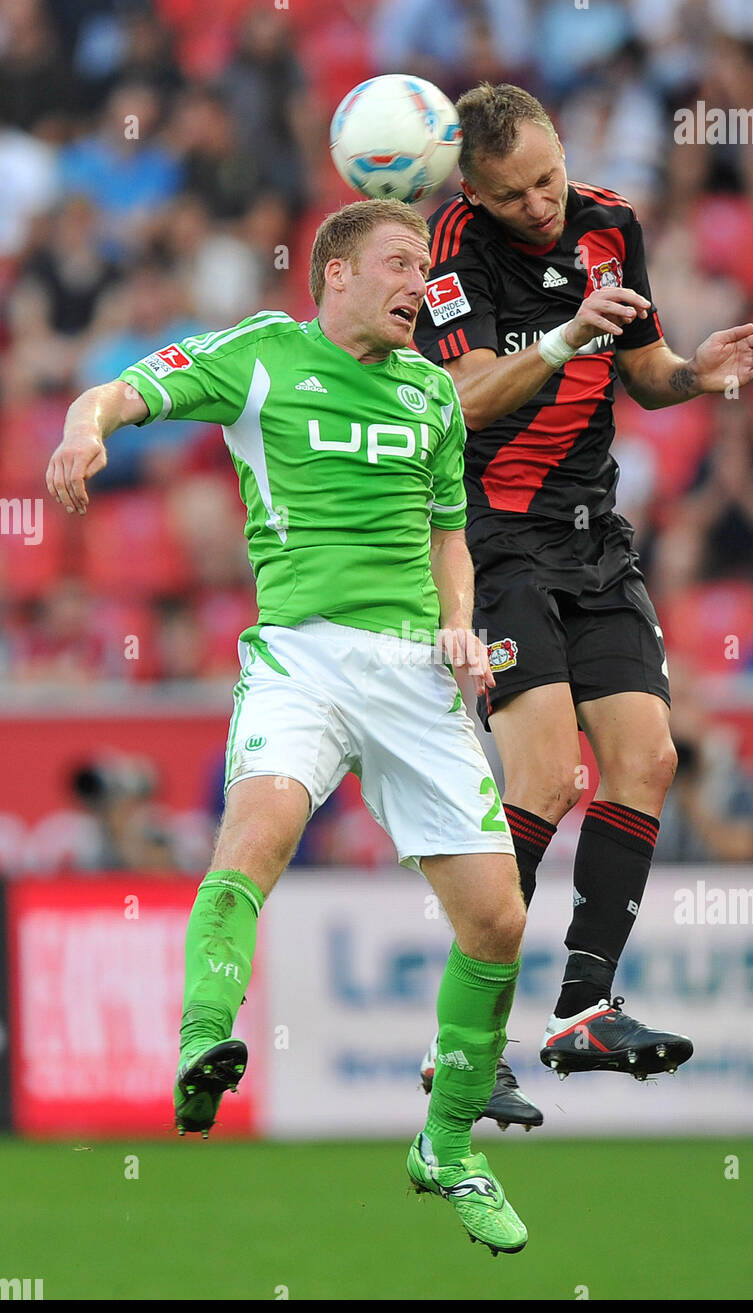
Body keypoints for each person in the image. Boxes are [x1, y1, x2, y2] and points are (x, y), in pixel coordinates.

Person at [45, 199, 529, 1257]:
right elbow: (119, 389)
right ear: (338, 273)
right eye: (401, 264)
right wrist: (85, 432)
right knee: (252, 839)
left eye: (426, 268)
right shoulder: (262, 355)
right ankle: (202, 1046)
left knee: (496, 921)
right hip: (301, 656)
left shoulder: (431, 399)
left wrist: (459, 624)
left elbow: (450, 538)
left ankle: (446, 1145)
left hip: (415, 672)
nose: (421, 284)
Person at [412, 83, 753, 1117]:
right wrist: (566, 336)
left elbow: (646, 370)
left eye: (546, 178)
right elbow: (463, 395)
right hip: (491, 541)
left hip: (594, 535)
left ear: (561, 149)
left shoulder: (609, 223)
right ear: (473, 195)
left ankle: (583, 1009)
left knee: (648, 757)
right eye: (512, 194)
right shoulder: (454, 247)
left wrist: (693, 375)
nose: (538, 203)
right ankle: (464, 1043)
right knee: (542, 777)